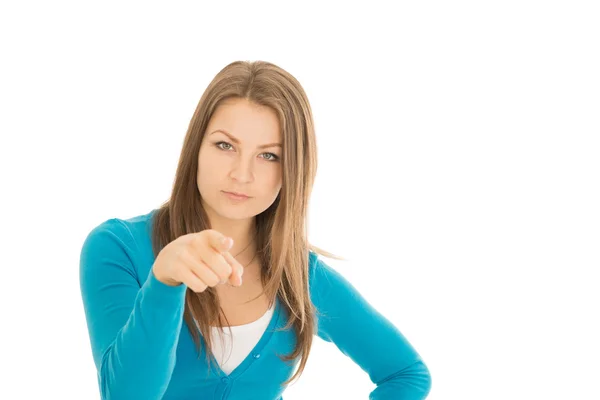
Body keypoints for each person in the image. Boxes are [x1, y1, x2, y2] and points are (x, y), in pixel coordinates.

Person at [79, 60, 432, 399]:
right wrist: (165, 282)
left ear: (292, 169)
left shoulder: (297, 273)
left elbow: (405, 374)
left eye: (269, 156)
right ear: (195, 148)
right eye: (225, 145)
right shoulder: (117, 248)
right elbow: (126, 395)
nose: (241, 174)